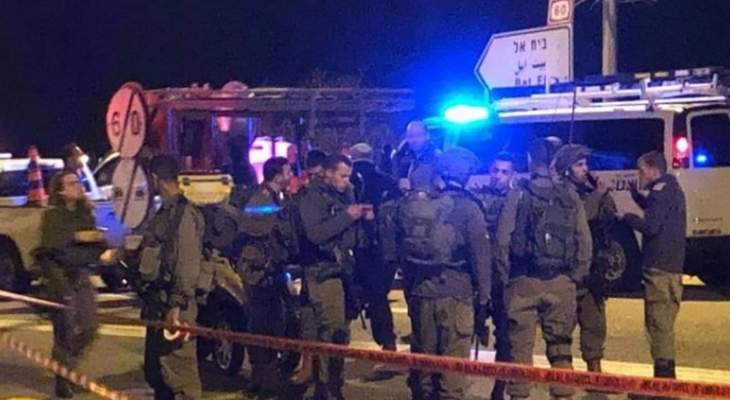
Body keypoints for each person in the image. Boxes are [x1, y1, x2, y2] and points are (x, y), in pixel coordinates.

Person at [380, 146, 492, 400]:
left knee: (424, 364)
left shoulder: (416, 206)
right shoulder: (467, 207)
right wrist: (484, 298)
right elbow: (481, 257)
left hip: (421, 291)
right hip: (457, 293)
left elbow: (398, 250)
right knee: (452, 370)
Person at [496, 137, 592, 399]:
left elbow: (503, 240)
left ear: (530, 160)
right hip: (561, 281)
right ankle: (563, 393)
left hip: (523, 281)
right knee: (561, 348)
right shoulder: (569, 195)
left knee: (520, 350)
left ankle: (519, 395)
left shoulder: (518, 193)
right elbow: (584, 240)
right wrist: (575, 276)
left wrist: (507, 277)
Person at [297, 154, 374, 399]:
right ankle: (326, 388)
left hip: (344, 272)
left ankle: (333, 384)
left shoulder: (345, 193)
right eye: (342, 175)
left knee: (341, 332)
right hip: (323, 272)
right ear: (328, 173)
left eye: (349, 176)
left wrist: (365, 219)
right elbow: (316, 234)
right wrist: (347, 216)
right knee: (331, 331)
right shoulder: (312, 197)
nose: (346, 180)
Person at [554, 144, 625, 374]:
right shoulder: (561, 193)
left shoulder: (588, 191)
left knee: (594, 324)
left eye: (586, 164)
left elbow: (609, 216)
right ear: (567, 169)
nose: (585, 169)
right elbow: (581, 217)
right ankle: (563, 380)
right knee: (562, 327)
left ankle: (594, 375)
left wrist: (603, 194)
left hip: (592, 271)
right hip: (568, 271)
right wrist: (597, 194)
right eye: (579, 165)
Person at [138, 155, 203, 400]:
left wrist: (176, 305)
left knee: (180, 375)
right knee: (158, 372)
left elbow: (186, 262)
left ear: (156, 178)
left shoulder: (183, 215)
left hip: (175, 306)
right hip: (159, 303)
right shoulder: (166, 212)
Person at [618, 151, 686, 381]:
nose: (640, 175)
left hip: (659, 269)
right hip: (672, 268)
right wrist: (637, 197)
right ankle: (665, 382)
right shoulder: (671, 189)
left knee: (658, 327)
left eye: (642, 171)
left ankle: (663, 385)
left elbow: (651, 226)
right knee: (664, 325)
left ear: (653, 170)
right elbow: (658, 211)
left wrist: (627, 217)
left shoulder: (659, 192)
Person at [37, 170, 104, 398]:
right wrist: (76, 237)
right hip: (60, 277)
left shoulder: (85, 213)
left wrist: (98, 244)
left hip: (81, 275)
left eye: (78, 182)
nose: (78, 186)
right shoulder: (52, 216)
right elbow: (51, 248)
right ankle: (63, 379)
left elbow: (93, 245)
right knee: (64, 329)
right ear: (61, 190)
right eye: (72, 183)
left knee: (89, 326)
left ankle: (64, 365)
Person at [236, 157, 296, 396]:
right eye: (288, 172)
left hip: (269, 271)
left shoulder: (273, 198)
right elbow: (261, 229)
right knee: (262, 326)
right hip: (259, 274)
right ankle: (263, 380)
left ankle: (264, 378)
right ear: (277, 175)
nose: (291, 176)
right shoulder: (262, 200)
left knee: (271, 324)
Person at [471, 151, 515, 400]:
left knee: (505, 338)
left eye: (504, 172)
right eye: (495, 170)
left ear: (512, 175)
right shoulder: (478, 199)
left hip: (503, 279)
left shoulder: (516, 201)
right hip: (478, 276)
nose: (499, 176)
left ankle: (499, 388)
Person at [349, 143, 399, 353]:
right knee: (378, 297)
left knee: (348, 294)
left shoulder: (348, 181)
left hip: (356, 246)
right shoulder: (388, 181)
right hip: (384, 249)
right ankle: (387, 342)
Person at [392, 120, 442, 191]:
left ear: (427, 136)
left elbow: (440, 184)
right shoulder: (400, 157)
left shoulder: (437, 157)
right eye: (410, 136)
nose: (414, 140)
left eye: (419, 136)